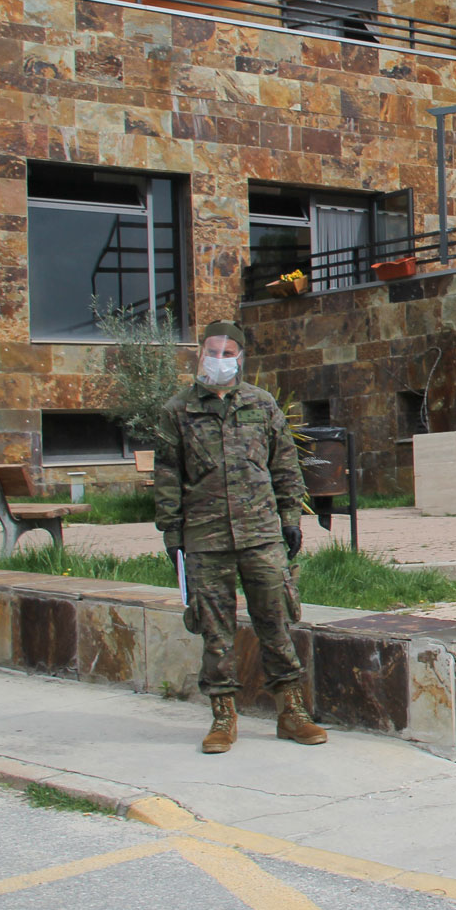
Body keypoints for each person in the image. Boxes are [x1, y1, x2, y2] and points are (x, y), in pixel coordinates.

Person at [155, 321, 323, 755]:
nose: (219, 359)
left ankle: (291, 711)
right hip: (205, 537)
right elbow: (168, 475)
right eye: (213, 351)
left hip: (261, 534)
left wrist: (291, 518)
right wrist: (172, 532)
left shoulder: (262, 405)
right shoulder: (178, 411)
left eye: (228, 353)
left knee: (276, 622)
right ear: (200, 354)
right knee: (215, 630)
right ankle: (223, 716)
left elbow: (285, 464)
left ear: (241, 358)